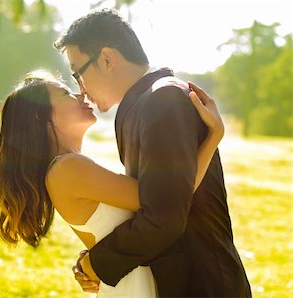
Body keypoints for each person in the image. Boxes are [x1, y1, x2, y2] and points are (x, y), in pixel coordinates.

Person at [53, 8, 251, 297]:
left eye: (78, 73)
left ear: (107, 58)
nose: (80, 89)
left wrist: (98, 263)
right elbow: (146, 201)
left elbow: (164, 217)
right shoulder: (137, 107)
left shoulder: (164, 99)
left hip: (204, 284)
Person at [0, 69, 225, 297]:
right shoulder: (68, 169)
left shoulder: (69, 167)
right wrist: (213, 135)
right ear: (41, 117)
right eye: (66, 94)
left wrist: (91, 261)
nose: (80, 94)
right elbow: (168, 199)